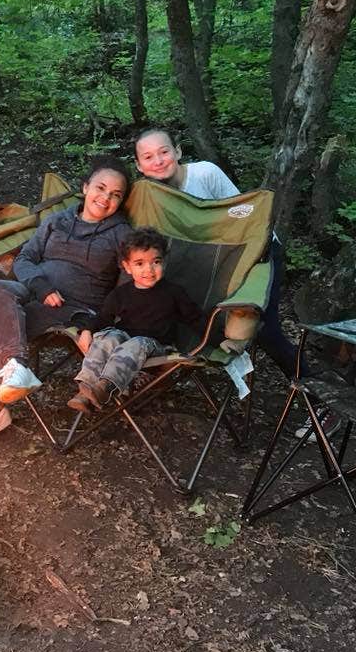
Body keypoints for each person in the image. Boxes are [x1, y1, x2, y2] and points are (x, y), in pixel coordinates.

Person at [133, 128, 338, 439]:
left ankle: (322, 405)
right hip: (211, 258)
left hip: (257, 252)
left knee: (265, 330)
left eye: (164, 152)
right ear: (139, 166)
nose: (158, 161)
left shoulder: (205, 174)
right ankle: (162, 375)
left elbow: (246, 221)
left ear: (177, 151)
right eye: (148, 157)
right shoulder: (151, 194)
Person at [0, 156, 134, 455]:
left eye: (116, 195)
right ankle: (17, 366)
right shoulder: (57, 220)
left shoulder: (122, 235)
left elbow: (124, 289)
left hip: (74, 307)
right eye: (100, 188)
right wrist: (41, 285)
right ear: (85, 187)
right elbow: (25, 259)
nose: (106, 198)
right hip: (33, 290)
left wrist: (95, 324)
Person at [66, 228, 206, 412]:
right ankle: (86, 390)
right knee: (109, 337)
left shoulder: (174, 293)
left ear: (164, 262)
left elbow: (195, 319)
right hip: (125, 345)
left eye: (156, 262)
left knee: (137, 342)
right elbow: (103, 317)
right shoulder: (121, 294)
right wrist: (87, 331)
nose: (149, 269)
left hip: (157, 349)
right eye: (139, 263)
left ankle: (106, 387)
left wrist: (221, 340)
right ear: (127, 267)